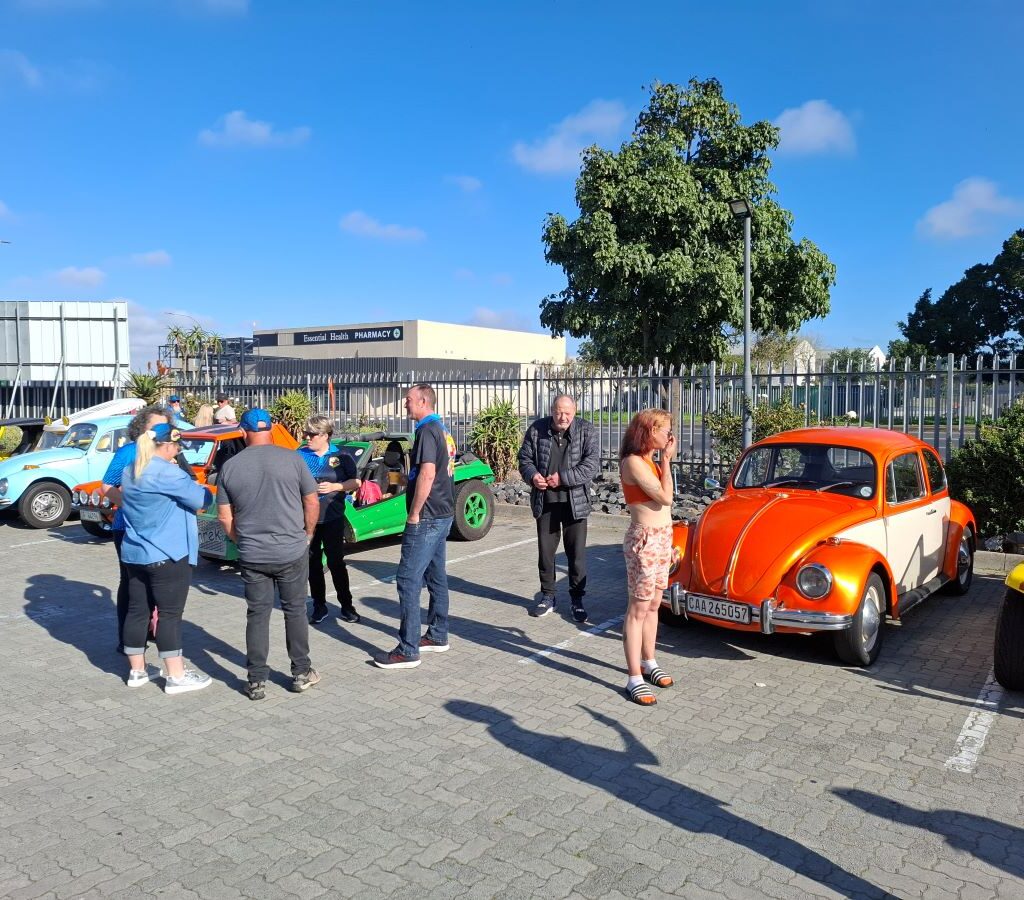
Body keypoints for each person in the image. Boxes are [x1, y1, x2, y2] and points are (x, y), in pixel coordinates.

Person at [216, 408, 321, 700]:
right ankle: (301, 672)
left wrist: (241, 540)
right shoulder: (293, 458)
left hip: (253, 553)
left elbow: (225, 518)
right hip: (291, 549)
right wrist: (307, 535)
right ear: (272, 428)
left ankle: (256, 680)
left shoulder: (231, 467)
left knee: (257, 615)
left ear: (242, 431)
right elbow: (312, 502)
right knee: (295, 610)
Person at [120, 423, 214, 694]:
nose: (178, 451)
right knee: (170, 615)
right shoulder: (168, 474)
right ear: (168, 446)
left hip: (135, 552)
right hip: (167, 553)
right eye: (176, 446)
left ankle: (137, 671)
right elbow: (202, 499)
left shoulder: (131, 471)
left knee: (137, 611)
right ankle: (176, 675)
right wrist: (189, 477)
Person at [374, 383, 455, 669]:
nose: (404, 405)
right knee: (436, 575)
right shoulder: (442, 430)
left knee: (408, 580)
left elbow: (429, 474)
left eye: (408, 400)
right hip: (443, 513)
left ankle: (408, 649)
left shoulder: (426, 430)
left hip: (429, 516)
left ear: (423, 401)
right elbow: (433, 471)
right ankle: (437, 634)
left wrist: (414, 514)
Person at [518, 394, 600, 622]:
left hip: (575, 502)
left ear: (574, 411)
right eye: (558, 412)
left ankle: (577, 599)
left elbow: (591, 465)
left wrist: (562, 478)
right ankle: (548, 596)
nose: (562, 417)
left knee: (576, 555)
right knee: (545, 553)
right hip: (545, 502)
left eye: (567, 413)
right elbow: (524, 459)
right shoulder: (537, 429)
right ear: (552, 410)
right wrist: (533, 476)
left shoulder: (586, 430)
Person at [103, 404, 176, 653]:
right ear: (140, 429)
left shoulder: (171, 451)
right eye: (152, 427)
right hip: (128, 527)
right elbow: (106, 486)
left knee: (161, 584)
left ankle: (154, 630)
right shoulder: (128, 453)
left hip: (162, 530)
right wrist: (131, 506)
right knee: (132, 584)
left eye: (162, 427)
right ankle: (129, 639)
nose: (157, 432)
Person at [619, 409, 676, 706]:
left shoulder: (650, 462)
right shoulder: (633, 462)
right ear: (649, 430)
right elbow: (665, 497)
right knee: (638, 608)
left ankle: (649, 661)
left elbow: (668, 497)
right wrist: (666, 461)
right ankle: (633, 677)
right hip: (645, 539)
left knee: (655, 604)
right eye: (665, 429)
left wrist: (663, 462)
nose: (669, 435)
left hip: (663, 537)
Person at [297, 415, 362, 625]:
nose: (307, 437)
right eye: (305, 433)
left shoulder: (341, 455)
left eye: (312, 434)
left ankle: (346, 606)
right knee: (312, 563)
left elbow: (356, 482)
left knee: (336, 562)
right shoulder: (299, 455)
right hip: (307, 519)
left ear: (325, 435)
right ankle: (319, 605)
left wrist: (336, 487)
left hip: (332, 517)